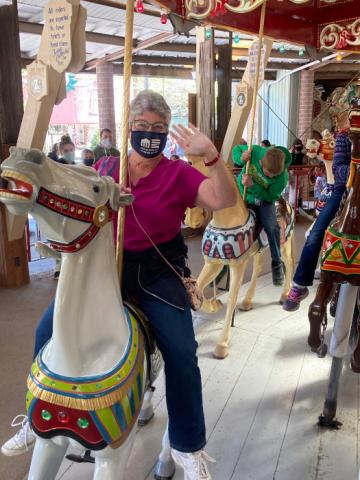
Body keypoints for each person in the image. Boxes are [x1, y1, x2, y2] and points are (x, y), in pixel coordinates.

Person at [2, 90, 237, 479]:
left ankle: (187, 444)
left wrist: (210, 156)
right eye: (142, 126)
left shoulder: (178, 173)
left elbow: (223, 199)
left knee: (180, 348)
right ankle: (34, 419)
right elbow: (65, 184)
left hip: (156, 271)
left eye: (158, 128)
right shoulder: (106, 167)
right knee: (47, 329)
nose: (150, 134)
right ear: (130, 127)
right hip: (104, 268)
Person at [283, 130, 351, 311]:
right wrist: (355, 167)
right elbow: (338, 169)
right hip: (341, 189)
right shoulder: (345, 136)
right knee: (315, 232)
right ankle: (300, 283)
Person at [233, 144, 291, 286]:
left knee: (272, 227)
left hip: (263, 200)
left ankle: (276, 262)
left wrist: (254, 185)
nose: (270, 176)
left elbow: (270, 196)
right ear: (260, 162)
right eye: (267, 174)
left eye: (274, 176)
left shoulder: (283, 178)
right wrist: (241, 158)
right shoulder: (256, 152)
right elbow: (237, 149)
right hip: (242, 193)